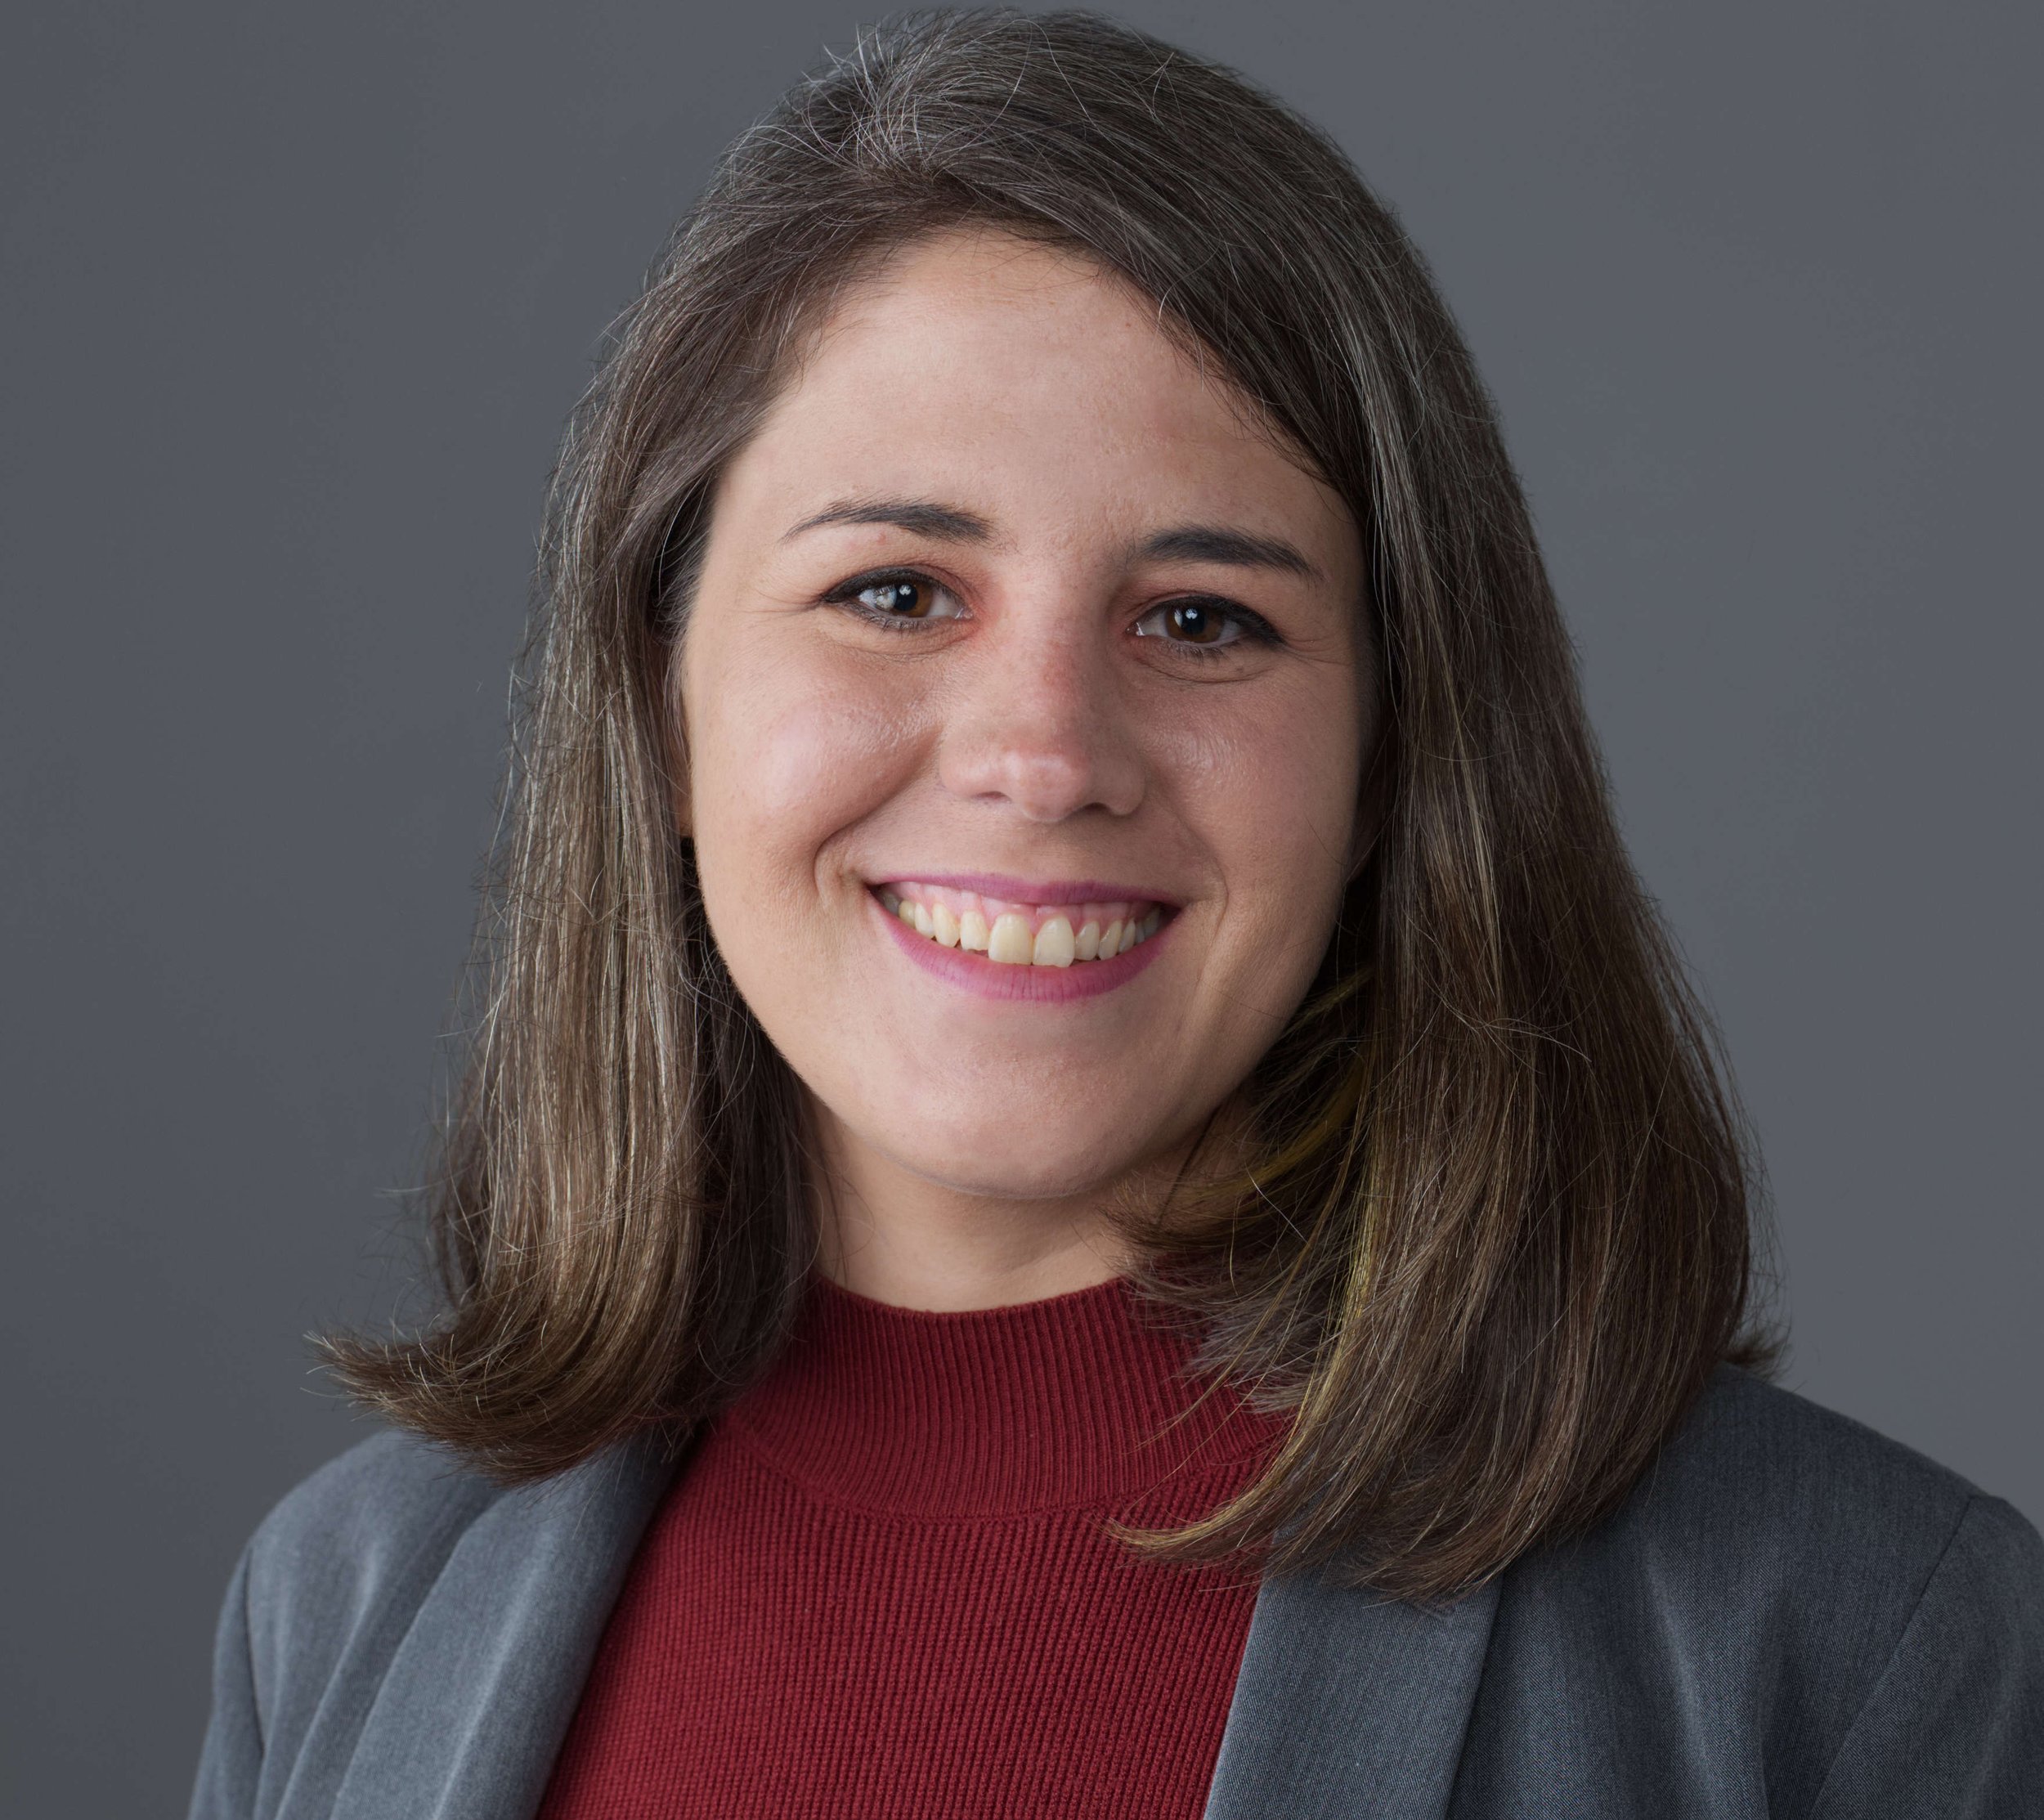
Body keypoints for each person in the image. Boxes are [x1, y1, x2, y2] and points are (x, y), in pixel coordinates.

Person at [186, 11, 2042, 1818]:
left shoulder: (1856, 1645)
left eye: (1201, 620)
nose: (1046, 757)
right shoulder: (343, 1607)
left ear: (1390, 759)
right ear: (662, 707)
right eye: (896, 592)